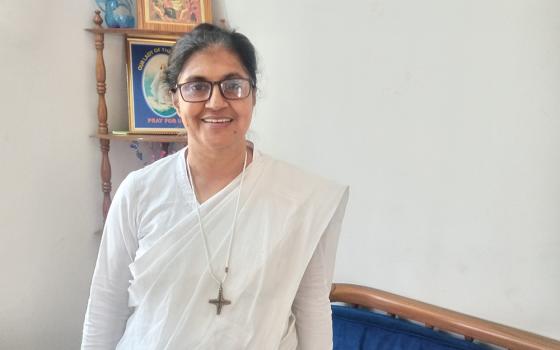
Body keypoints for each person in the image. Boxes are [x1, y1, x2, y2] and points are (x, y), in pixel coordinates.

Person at [81, 23, 349, 350]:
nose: (216, 102)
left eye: (232, 85)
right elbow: (106, 305)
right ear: (175, 100)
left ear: (252, 94)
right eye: (197, 86)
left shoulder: (299, 198)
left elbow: (311, 308)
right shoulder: (139, 192)